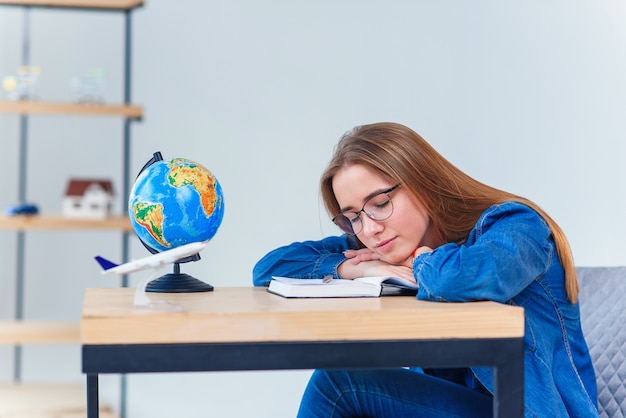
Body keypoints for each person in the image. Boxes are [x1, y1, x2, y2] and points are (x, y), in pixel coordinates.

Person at [252, 122, 599, 417]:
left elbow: (464, 277)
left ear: (423, 183)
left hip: (529, 410)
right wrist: (355, 269)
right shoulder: (379, 249)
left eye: (380, 204)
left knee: (340, 385)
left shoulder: (517, 225)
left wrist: (421, 261)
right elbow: (269, 268)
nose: (369, 229)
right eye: (353, 217)